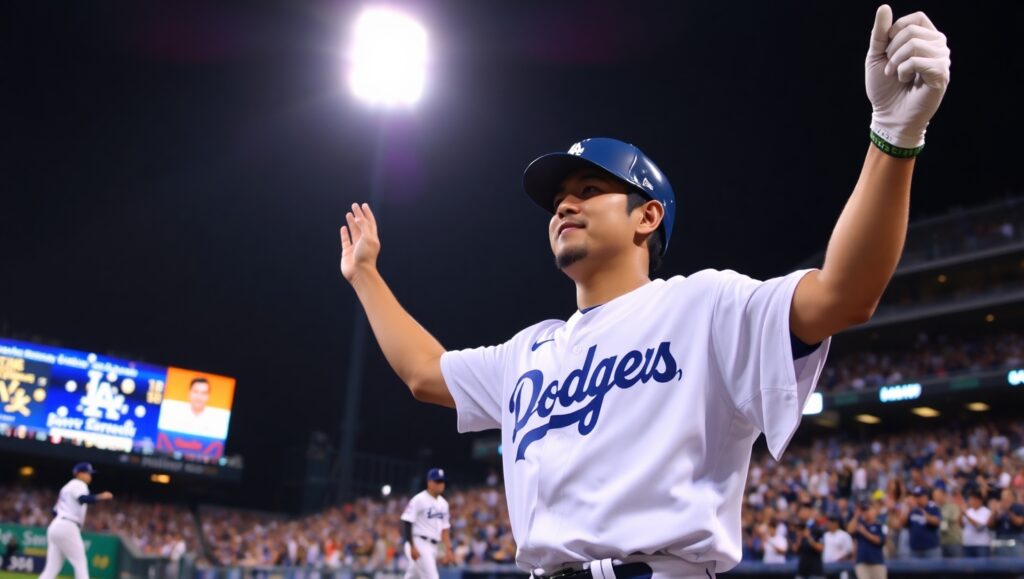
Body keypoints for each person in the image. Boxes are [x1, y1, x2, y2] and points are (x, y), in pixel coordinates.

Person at [337, 6, 950, 578]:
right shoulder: (529, 352)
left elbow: (845, 294)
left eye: (587, 188)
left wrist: (893, 137)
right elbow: (423, 373)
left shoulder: (703, 306)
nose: (564, 204)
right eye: (556, 200)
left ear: (647, 217)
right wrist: (365, 274)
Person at [39, 462, 114, 579]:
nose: (90, 476)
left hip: (56, 525)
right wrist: (101, 496)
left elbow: (54, 511)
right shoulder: (78, 484)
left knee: (51, 569)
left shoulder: (66, 487)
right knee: (80, 563)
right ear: (79, 474)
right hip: (67, 525)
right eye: (88, 473)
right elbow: (83, 498)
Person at [401, 469, 453, 579]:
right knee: (432, 577)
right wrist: (412, 546)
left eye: (442, 482)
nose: (441, 485)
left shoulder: (444, 504)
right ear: (429, 482)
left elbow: (444, 530)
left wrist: (447, 551)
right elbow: (407, 522)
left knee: (413, 575)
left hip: (434, 544)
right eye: (437, 481)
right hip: (419, 542)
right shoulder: (419, 499)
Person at [157, 376, 230, 439]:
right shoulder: (171, 411)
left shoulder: (220, 419)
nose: (199, 397)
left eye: (203, 393)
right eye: (196, 392)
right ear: (189, 393)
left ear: (209, 396)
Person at [848, 504, 887, 579]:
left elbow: (880, 540)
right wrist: (856, 516)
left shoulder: (880, 525)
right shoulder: (860, 524)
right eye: (865, 510)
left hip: (877, 562)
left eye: (868, 510)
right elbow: (850, 530)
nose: (866, 512)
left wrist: (864, 532)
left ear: (874, 512)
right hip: (862, 562)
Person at [904, 486, 941, 559]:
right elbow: (903, 524)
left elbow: (937, 521)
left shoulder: (932, 507)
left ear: (925, 497)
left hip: (930, 549)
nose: (916, 499)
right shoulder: (912, 509)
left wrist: (921, 511)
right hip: (915, 550)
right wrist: (907, 509)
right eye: (915, 496)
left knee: (933, 570)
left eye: (919, 496)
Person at [792, 507, 825, 579]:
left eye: (805, 511)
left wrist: (809, 537)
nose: (802, 513)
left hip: (815, 571)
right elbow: (795, 550)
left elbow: (821, 548)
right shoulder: (799, 529)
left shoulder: (817, 529)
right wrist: (799, 538)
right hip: (802, 570)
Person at [992, 488, 1024, 557]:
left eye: (1007, 495)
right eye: (1003, 496)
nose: (1004, 498)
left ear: (1012, 497)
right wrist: (994, 513)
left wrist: (1008, 510)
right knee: (1002, 564)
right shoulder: (999, 508)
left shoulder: (1019, 507)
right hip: (1001, 538)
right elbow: (990, 525)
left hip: (1015, 538)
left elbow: (1019, 522)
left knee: (1017, 564)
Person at [961, 490, 992, 557]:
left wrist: (966, 515)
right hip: (968, 544)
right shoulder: (969, 511)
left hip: (981, 545)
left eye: (973, 499)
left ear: (979, 500)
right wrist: (960, 514)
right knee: (968, 567)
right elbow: (961, 525)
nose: (971, 501)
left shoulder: (986, 511)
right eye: (970, 499)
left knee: (982, 567)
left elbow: (979, 527)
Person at [934, 486, 962, 558]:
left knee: (957, 567)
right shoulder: (934, 508)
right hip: (941, 542)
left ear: (944, 495)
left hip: (953, 541)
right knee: (943, 567)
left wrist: (941, 518)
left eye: (938, 495)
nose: (936, 498)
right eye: (934, 496)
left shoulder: (952, 506)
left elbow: (955, 518)